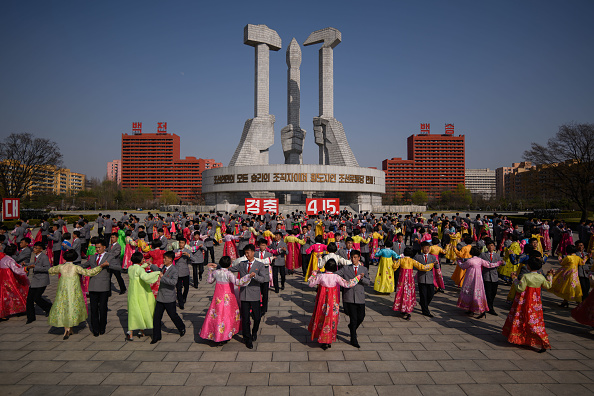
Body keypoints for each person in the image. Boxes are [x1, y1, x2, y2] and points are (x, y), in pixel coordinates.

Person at [47, 249, 108, 339]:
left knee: (64, 307)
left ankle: (67, 329)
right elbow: (89, 272)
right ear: (75, 258)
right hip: (73, 291)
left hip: (63, 291)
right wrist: (100, 267)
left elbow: (50, 270)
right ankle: (69, 328)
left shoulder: (61, 267)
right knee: (71, 307)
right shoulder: (76, 268)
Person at [307, 259, 361, 350]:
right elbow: (347, 284)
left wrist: (313, 273)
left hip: (322, 303)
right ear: (335, 268)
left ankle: (323, 340)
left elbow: (310, 283)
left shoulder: (321, 276)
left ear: (326, 267)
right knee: (331, 319)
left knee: (322, 318)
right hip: (332, 302)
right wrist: (358, 277)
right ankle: (329, 340)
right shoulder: (336, 277)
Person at [502, 257, 553, 353]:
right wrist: (550, 275)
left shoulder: (526, 276)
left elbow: (520, 288)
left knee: (523, 318)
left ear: (529, 266)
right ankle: (539, 339)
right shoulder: (541, 277)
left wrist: (514, 279)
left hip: (525, 301)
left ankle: (527, 338)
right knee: (535, 321)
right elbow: (548, 286)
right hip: (536, 304)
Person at [200, 256, 251, 345]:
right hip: (228, 297)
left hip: (218, 297)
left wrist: (210, 270)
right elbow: (237, 282)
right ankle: (226, 334)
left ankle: (215, 334)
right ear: (229, 264)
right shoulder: (229, 274)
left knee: (217, 315)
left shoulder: (216, 272)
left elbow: (209, 281)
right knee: (228, 316)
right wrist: (248, 277)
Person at [229, 244, 267, 349]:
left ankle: (254, 331)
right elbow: (231, 268)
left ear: (253, 252)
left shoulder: (259, 265)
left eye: (248, 252)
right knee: (245, 318)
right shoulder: (241, 264)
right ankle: (247, 338)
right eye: (245, 253)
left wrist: (256, 276)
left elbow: (263, 279)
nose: (246, 255)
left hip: (255, 294)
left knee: (257, 317)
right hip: (244, 294)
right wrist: (219, 266)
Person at [335, 251, 370, 348]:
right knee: (353, 318)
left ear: (359, 258)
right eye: (352, 257)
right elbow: (335, 275)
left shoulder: (364, 269)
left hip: (360, 296)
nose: (353, 259)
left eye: (355, 257)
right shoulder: (346, 268)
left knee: (361, 317)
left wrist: (362, 278)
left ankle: (352, 328)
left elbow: (368, 282)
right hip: (349, 297)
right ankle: (353, 338)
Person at [456, 247, 502, 318]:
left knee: (469, 292)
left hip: (470, 279)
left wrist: (458, 261)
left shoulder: (470, 261)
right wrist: (498, 263)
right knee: (477, 293)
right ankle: (475, 309)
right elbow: (489, 265)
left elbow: (463, 266)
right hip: (478, 279)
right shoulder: (480, 260)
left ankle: (474, 309)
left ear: (471, 253)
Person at [151, 251, 186, 344]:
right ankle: (156, 336)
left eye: (165, 258)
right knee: (156, 317)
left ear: (170, 260)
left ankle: (181, 327)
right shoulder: (163, 268)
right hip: (160, 297)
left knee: (173, 315)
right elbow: (158, 270)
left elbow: (173, 282)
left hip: (169, 298)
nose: (163, 260)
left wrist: (162, 277)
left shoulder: (174, 270)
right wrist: (150, 265)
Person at [392, 246, 434, 320]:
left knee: (402, 293)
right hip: (409, 281)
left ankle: (402, 308)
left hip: (402, 280)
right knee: (409, 294)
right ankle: (408, 310)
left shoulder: (401, 260)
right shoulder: (412, 261)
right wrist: (432, 264)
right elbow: (422, 267)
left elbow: (394, 266)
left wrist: (396, 259)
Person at [126, 252, 160, 341]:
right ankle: (142, 329)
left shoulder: (130, 268)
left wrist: (145, 265)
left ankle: (131, 333)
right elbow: (145, 277)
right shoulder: (140, 270)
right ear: (140, 259)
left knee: (133, 310)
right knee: (143, 308)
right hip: (140, 292)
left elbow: (138, 269)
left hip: (132, 292)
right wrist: (156, 273)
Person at [84, 240, 112, 336]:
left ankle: (102, 326)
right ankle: (95, 328)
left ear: (104, 247)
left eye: (99, 247)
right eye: (96, 247)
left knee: (103, 308)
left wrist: (108, 265)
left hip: (104, 286)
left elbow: (118, 267)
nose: (98, 249)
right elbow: (84, 266)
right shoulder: (92, 257)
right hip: (93, 286)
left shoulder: (109, 256)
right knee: (94, 308)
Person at [24, 242, 53, 323]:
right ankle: (30, 317)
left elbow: (47, 268)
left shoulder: (44, 257)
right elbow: (34, 264)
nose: (34, 249)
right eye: (34, 247)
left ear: (41, 249)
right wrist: (26, 264)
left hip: (42, 280)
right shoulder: (36, 257)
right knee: (29, 299)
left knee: (37, 298)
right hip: (35, 281)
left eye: (36, 248)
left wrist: (35, 267)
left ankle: (49, 308)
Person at [0, 247, 30, 319]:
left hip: (3, 280)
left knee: (5, 296)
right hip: (9, 280)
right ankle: (19, 309)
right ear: (14, 252)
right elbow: (16, 270)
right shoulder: (10, 260)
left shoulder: (3, 259)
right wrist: (26, 268)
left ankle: (4, 312)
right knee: (16, 294)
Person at [480, 240, 503, 315]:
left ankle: (489, 305)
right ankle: (489, 307)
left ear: (494, 246)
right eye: (489, 245)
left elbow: (502, 262)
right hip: (486, 276)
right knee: (488, 292)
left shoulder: (497, 255)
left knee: (493, 292)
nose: (490, 247)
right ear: (486, 247)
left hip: (494, 276)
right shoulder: (483, 255)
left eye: (492, 245)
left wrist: (503, 262)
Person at [174, 236, 191, 309]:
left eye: (182, 243)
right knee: (178, 288)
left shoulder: (187, 251)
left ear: (185, 244)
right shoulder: (175, 251)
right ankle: (181, 303)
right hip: (177, 271)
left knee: (186, 287)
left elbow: (193, 259)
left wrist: (188, 255)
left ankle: (184, 297)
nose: (181, 244)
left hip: (185, 271)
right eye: (180, 243)